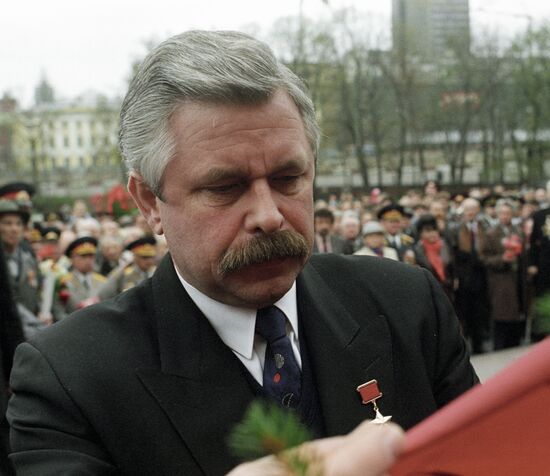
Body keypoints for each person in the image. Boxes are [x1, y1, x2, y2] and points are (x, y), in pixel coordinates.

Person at [7, 30, 477, 475]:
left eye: (288, 179)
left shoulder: (406, 304)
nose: (269, 215)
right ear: (149, 201)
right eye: (225, 187)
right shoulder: (68, 378)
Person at [479, 201, 527, 349]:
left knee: (516, 317)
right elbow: (483, 257)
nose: (505, 216)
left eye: (508, 213)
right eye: (502, 213)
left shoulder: (518, 231)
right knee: (502, 317)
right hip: (500, 280)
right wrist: (501, 259)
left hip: (517, 278)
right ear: (498, 214)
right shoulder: (491, 233)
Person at [51, 237, 107, 322]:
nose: (88, 260)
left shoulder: (103, 281)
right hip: (71, 327)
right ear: (72, 258)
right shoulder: (63, 282)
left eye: (91, 256)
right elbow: (58, 310)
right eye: (83, 256)